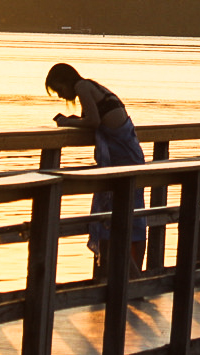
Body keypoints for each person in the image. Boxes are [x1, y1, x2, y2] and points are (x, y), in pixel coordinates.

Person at [45, 62, 147, 273]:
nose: (61, 96)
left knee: (117, 215)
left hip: (122, 158)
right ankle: (129, 274)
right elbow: (96, 119)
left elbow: (93, 121)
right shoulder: (90, 86)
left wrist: (67, 123)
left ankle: (125, 275)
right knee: (128, 214)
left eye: (59, 90)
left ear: (66, 81)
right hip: (127, 153)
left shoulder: (82, 87)